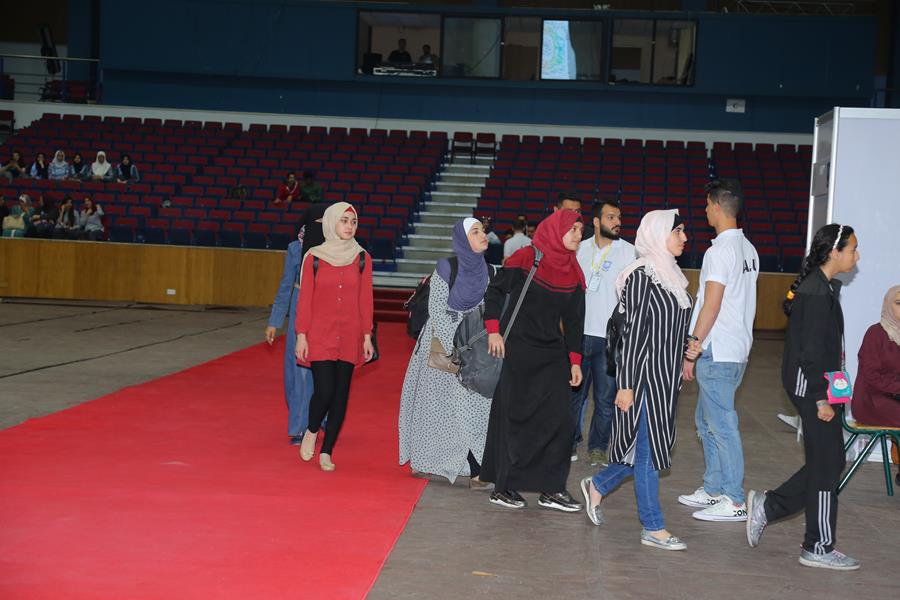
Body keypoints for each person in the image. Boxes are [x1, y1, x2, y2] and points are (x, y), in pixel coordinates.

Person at [746, 223, 861, 571]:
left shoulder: (822, 287)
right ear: (834, 252)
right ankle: (818, 546)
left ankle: (769, 506)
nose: (856, 256)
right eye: (852, 249)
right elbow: (810, 353)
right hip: (813, 389)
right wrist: (821, 399)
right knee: (827, 466)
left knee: (830, 462)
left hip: (822, 385)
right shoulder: (815, 292)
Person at [580, 209, 696, 551]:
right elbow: (632, 336)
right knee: (647, 453)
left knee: (647, 448)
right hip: (643, 380)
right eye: (678, 231)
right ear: (659, 234)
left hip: (666, 381)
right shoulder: (641, 276)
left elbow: (667, 329)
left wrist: (688, 346)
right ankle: (653, 527)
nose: (684, 238)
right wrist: (626, 385)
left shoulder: (672, 275)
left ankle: (598, 485)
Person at [480, 209, 586, 512]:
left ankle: (551, 488)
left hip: (552, 353)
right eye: (573, 229)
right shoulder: (527, 257)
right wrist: (493, 331)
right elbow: (495, 291)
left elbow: (574, 321)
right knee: (514, 419)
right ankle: (504, 487)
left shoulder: (573, 271)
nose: (578, 235)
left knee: (560, 421)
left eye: (581, 230)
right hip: (517, 348)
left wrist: (575, 361)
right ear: (556, 230)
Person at [678, 179, 759, 522]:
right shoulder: (748, 249)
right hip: (735, 348)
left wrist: (692, 347)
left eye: (706, 204)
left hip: (719, 348)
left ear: (715, 205)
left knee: (722, 425)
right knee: (706, 421)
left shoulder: (719, 252)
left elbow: (711, 305)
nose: (705, 210)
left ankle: (735, 499)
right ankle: (713, 489)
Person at [399, 218, 494, 488]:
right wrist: (455, 346)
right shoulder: (446, 267)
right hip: (442, 345)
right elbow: (437, 309)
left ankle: (476, 467)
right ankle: (430, 460)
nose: (483, 235)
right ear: (463, 239)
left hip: (474, 345)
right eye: (475, 231)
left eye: (483, 231)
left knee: (475, 406)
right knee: (437, 409)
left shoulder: (489, 271)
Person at [295, 202, 375, 471]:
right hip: (320, 333)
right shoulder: (313, 257)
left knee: (341, 395)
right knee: (325, 391)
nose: (349, 226)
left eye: (353, 221)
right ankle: (312, 429)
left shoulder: (362, 257)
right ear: (331, 222)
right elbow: (305, 299)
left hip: (350, 333)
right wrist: (301, 335)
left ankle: (327, 451)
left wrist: (367, 335)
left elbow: (366, 299)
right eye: (343, 221)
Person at [570, 200, 636, 466]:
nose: (617, 222)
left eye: (619, 217)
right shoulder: (579, 248)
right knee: (573, 397)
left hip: (611, 338)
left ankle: (598, 447)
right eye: (611, 217)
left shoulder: (629, 252)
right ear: (596, 221)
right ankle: (568, 442)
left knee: (605, 399)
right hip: (578, 335)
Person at [265, 229, 315, 445]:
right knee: (299, 370)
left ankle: (318, 417)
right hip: (299, 305)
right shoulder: (295, 248)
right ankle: (300, 426)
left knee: (324, 369)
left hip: (326, 309)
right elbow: (286, 284)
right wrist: (274, 321)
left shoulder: (336, 245)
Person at [849, 285, 900, 482]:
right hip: (871, 400)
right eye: (898, 303)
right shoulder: (876, 333)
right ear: (888, 305)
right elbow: (872, 377)